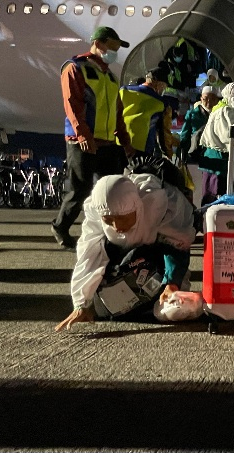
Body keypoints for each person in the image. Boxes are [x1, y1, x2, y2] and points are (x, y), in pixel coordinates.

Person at [54, 173, 196, 331]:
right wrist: (81, 303)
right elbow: (89, 254)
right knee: (105, 308)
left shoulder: (159, 204)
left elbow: (178, 247)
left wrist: (173, 283)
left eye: (123, 218)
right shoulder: (95, 212)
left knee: (172, 310)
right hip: (125, 261)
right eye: (108, 220)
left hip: (159, 260)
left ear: (137, 206)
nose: (117, 227)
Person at [51, 26, 134, 251]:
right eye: (113, 47)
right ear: (98, 44)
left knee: (112, 190)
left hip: (107, 142)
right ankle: (61, 226)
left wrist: (125, 141)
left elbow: (118, 111)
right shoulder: (75, 68)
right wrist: (82, 134)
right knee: (81, 188)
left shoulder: (110, 76)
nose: (115, 53)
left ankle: (108, 233)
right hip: (82, 141)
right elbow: (72, 105)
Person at [199, 82, 234, 204]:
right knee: (217, 201)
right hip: (219, 164)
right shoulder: (226, 111)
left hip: (217, 163)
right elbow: (229, 135)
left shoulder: (220, 109)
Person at [119, 67, 172, 159]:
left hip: (119, 143)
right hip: (142, 149)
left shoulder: (123, 91)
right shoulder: (161, 104)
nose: (163, 89)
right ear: (156, 82)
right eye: (163, 86)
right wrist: (169, 153)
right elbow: (163, 134)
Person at [178, 85, 219, 162]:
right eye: (206, 99)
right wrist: (182, 155)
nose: (209, 102)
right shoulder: (192, 114)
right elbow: (184, 136)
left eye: (212, 99)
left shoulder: (220, 114)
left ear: (217, 100)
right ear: (201, 98)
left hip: (214, 155)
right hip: (196, 155)